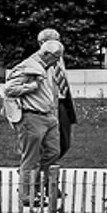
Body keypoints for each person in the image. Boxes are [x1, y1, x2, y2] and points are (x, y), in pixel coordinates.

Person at [2, 40, 65, 206]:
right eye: (56, 57)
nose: (58, 61)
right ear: (46, 54)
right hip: (32, 117)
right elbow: (9, 89)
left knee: (53, 152)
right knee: (32, 158)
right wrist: (31, 86)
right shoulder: (28, 66)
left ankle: (40, 186)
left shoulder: (48, 67)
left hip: (49, 117)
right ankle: (27, 195)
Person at [37, 28, 77, 160]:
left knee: (64, 142)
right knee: (51, 144)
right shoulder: (38, 62)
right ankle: (37, 170)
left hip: (63, 102)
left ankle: (43, 168)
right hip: (48, 105)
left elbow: (63, 81)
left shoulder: (59, 60)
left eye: (57, 41)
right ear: (42, 43)